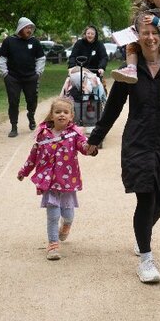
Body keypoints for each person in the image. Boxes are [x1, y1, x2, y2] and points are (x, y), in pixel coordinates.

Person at [86, 14, 160, 284]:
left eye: (154, 33)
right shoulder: (129, 70)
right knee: (145, 199)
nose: (150, 38)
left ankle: (141, 234)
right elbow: (112, 107)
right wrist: (95, 138)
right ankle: (146, 258)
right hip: (138, 141)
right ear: (138, 36)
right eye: (145, 33)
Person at [17, 98, 94, 260]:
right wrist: (24, 171)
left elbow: (84, 147)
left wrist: (91, 148)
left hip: (67, 182)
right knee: (52, 215)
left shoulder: (74, 135)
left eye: (65, 112)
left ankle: (66, 225)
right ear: (51, 115)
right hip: (49, 182)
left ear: (71, 116)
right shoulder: (42, 134)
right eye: (57, 112)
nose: (61, 115)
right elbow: (34, 156)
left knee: (68, 214)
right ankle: (53, 245)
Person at [0, 17, 46, 138]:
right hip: (13, 78)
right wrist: (5, 74)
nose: (29, 30)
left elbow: (41, 58)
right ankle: (14, 126)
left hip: (30, 77)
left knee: (32, 100)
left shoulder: (34, 42)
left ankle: (31, 115)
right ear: (20, 28)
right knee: (13, 102)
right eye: (27, 27)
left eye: (31, 28)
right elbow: (2, 58)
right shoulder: (9, 41)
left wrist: (38, 73)